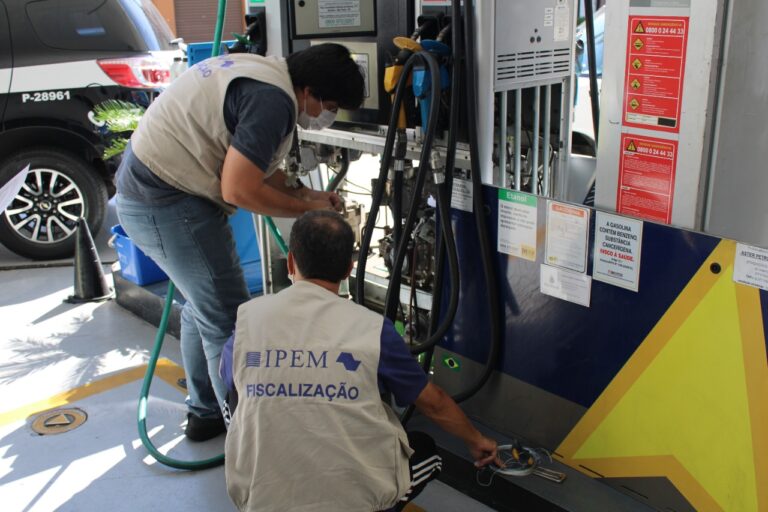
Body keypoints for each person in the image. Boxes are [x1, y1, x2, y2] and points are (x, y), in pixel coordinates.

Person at [115, 44, 365, 442]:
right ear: (310, 91)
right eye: (329, 104)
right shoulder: (273, 102)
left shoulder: (265, 72)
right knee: (227, 321)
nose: (326, 115)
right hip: (165, 202)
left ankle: (206, 412)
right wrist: (303, 213)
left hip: (156, 192)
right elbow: (239, 189)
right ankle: (248, 440)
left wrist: (309, 197)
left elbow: (257, 168)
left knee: (204, 307)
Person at [220, 211, 502, 512]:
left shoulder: (250, 320)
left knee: (235, 397)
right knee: (427, 452)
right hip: (354, 503)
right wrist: (476, 440)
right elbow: (434, 403)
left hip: (263, 498)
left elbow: (230, 383)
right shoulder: (371, 329)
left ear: (291, 262)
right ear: (348, 270)